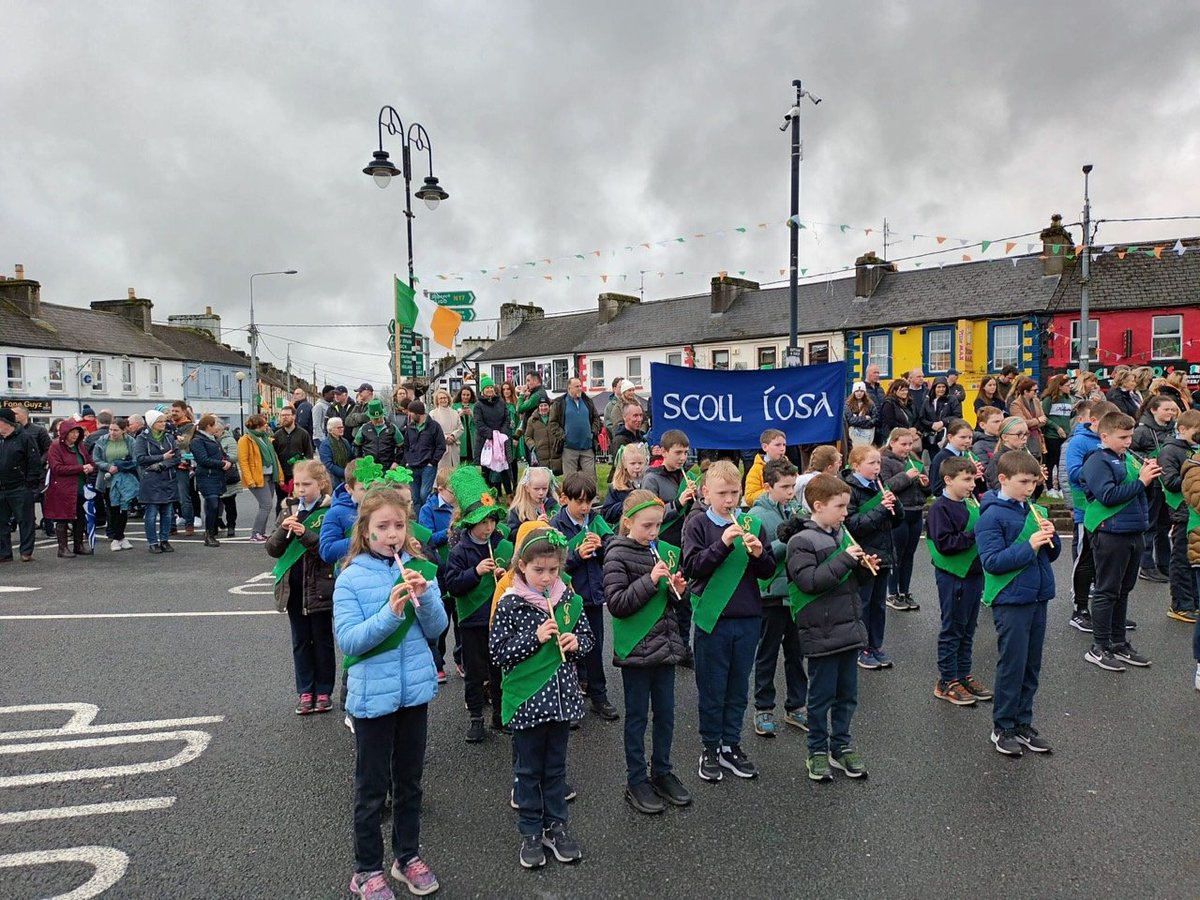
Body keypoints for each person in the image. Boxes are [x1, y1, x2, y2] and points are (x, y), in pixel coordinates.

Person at [333, 487, 447, 898]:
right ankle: (366, 869)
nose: (393, 534)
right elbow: (349, 641)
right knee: (371, 788)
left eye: (399, 525)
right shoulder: (351, 578)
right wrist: (390, 613)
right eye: (383, 526)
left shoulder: (418, 567)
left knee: (410, 782)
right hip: (372, 701)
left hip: (413, 694)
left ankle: (407, 857)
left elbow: (436, 629)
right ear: (365, 531)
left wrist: (426, 596)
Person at [489, 526, 593, 869]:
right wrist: (535, 638)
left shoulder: (568, 601)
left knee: (556, 770)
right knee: (529, 770)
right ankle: (531, 831)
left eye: (553, 570)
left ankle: (556, 826)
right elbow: (499, 654)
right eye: (538, 571)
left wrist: (577, 644)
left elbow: (589, 640)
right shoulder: (510, 604)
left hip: (562, 702)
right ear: (522, 567)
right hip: (527, 702)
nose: (547, 578)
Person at [682, 460, 775, 782]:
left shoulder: (752, 524)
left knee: (738, 687)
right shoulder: (697, 525)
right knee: (712, 687)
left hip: (748, 617)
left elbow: (767, 572)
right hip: (714, 619)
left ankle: (731, 745)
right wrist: (722, 545)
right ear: (706, 492)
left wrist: (760, 554)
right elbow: (692, 567)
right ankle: (710, 746)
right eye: (722, 493)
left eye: (735, 493)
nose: (729, 500)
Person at [780, 473, 875, 781]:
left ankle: (842, 746)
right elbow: (809, 583)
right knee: (821, 697)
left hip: (848, 626)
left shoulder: (840, 534)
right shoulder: (801, 541)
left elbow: (849, 583)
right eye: (840, 506)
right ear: (818, 506)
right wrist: (846, 560)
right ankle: (817, 751)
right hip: (820, 630)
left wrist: (864, 568)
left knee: (847, 694)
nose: (845, 513)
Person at [604, 489, 691, 814]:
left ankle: (663, 772)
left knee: (666, 715)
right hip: (637, 652)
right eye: (647, 526)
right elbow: (617, 604)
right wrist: (651, 581)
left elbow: (668, 604)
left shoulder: (661, 551)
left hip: (665, 648)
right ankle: (636, 779)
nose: (654, 533)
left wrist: (677, 591)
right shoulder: (617, 554)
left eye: (657, 526)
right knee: (638, 718)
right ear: (628, 523)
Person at [977, 450, 1059, 756]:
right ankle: (1003, 726)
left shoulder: (1034, 510)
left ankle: (1024, 722)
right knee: (1012, 664)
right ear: (1003, 479)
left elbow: (1050, 555)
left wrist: (1051, 539)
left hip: (1038, 595)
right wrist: (1029, 545)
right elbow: (993, 562)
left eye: (1034, 481)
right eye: (1024, 481)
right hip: (1011, 598)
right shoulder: (992, 515)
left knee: (1031, 664)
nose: (1030, 488)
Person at [1080, 412, 1160, 673]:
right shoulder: (1097, 459)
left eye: (1130, 436)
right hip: (1110, 531)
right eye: (1122, 437)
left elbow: (1141, 492)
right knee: (1107, 590)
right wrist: (1141, 481)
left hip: (1133, 530)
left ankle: (1118, 642)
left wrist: (1148, 478)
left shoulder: (1126, 458)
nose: (1128, 442)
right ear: (1104, 436)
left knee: (1123, 590)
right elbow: (1107, 496)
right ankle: (1099, 646)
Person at [443, 465, 509, 742]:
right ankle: (475, 718)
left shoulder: (501, 543)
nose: (489, 527)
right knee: (475, 671)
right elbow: (452, 584)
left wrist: (504, 577)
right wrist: (476, 572)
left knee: (499, 669)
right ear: (470, 522)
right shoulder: (460, 551)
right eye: (483, 522)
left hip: (496, 618)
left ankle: (499, 714)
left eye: (492, 521)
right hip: (471, 620)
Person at [267, 459, 336, 714]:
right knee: (300, 641)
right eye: (298, 484)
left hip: (320, 587)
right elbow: (272, 550)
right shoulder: (288, 509)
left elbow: (327, 551)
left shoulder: (329, 511)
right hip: (294, 590)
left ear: (321, 484)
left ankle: (324, 690)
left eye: (307, 484)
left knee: (322, 640)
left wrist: (303, 533)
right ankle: (305, 690)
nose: (301, 489)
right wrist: (282, 531)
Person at [748, 458, 808, 737]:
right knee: (767, 653)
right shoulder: (758, 516)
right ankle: (763, 708)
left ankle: (796, 705)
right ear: (768, 487)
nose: (791, 491)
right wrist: (785, 540)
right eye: (785, 486)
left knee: (797, 654)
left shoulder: (795, 508)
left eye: (793, 485)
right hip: (771, 593)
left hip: (796, 592)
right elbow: (759, 555)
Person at [551, 472, 618, 721]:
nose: (585, 507)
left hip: (592, 597)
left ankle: (599, 696)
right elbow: (552, 565)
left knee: (594, 646)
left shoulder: (595, 519)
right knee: (567, 648)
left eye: (589, 501)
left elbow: (612, 548)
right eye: (579, 502)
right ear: (564, 500)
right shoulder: (556, 525)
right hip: (566, 598)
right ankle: (569, 698)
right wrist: (577, 554)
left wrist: (602, 547)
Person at [926, 457, 991, 706]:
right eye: (966, 479)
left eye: (973, 479)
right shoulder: (940, 509)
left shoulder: (970, 504)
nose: (972, 484)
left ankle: (963, 674)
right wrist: (976, 533)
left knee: (968, 628)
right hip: (954, 576)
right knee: (953, 628)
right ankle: (946, 680)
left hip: (974, 575)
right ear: (948, 480)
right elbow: (944, 545)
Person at [844, 445, 902, 669]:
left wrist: (895, 505)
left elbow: (896, 520)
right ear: (856, 466)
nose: (877, 467)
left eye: (878, 463)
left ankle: (876, 645)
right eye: (871, 463)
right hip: (865, 556)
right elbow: (853, 526)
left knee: (879, 604)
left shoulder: (881, 486)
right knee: (863, 603)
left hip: (884, 552)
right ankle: (861, 648)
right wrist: (880, 508)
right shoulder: (850, 490)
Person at [643, 430, 698, 664]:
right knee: (664, 601)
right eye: (677, 453)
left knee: (684, 598)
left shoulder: (686, 476)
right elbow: (648, 514)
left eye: (685, 453)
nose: (682, 458)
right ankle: (663, 646)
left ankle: (684, 646)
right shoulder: (651, 479)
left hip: (685, 544)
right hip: (663, 543)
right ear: (664, 452)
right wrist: (677, 503)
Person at [1065, 400, 1117, 633]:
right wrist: (1101, 470)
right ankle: (1080, 610)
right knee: (1084, 560)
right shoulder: (1079, 442)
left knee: (1106, 562)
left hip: (1109, 510)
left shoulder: (1112, 442)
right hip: (1086, 509)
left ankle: (1108, 612)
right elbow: (1073, 472)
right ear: (1094, 421)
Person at [879, 426, 931, 612]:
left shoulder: (914, 460)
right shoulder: (884, 461)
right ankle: (892, 593)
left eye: (910, 444)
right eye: (903, 444)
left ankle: (905, 591)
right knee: (897, 555)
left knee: (909, 555)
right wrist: (906, 477)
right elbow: (885, 488)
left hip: (916, 512)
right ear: (892, 443)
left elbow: (927, 491)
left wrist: (925, 485)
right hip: (900, 513)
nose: (908, 448)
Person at [1132, 394, 1179, 582]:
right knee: (1149, 525)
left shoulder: (1173, 429)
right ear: (1153, 410)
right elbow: (1130, 452)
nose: (1170, 413)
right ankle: (1146, 564)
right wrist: (1145, 460)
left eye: (1172, 409)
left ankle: (1164, 563)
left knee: (1164, 525)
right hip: (1152, 483)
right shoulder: (1142, 431)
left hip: (1166, 483)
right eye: (1166, 409)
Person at [1160, 410, 1200, 622]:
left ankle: (1194, 601)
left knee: (1195, 560)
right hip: (1183, 513)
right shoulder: (1170, 451)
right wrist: (1193, 475)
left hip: (1196, 512)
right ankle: (1181, 605)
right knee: (1182, 561)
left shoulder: (1194, 449)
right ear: (1182, 429)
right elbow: (1170, 482)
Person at [46, 420, 95, 558]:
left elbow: (89, 461)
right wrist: (80, 468)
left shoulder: (80, 446)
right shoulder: (55, 447)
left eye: (77, 432)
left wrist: (90, 466)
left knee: (80, 517)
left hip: (80, 487)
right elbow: (57, 468)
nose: (75, 435)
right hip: (62, 489)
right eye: (72, 432)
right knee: (62, 517)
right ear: (64, 433)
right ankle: (63, 548)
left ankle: (78, 545)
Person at [0, 407, 40, 562]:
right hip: (1, 487)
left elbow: (34, 462)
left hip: (20, 487)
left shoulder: (24, 437)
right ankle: (4, 553)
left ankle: (26, 551)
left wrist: (30, 483)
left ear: (5, 422)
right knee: (1, 522)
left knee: (25, 520)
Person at [134, 410, 177, 554]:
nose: (163, 424)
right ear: (152, 423)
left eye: (164, 421)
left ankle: (164, 540)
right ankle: (153, 542)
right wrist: (162, 457)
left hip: (167, 478)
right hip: (151, 480)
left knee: (167, 513)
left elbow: (177, 458)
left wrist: (163, 464)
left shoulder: (170, 438)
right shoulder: (142, 438)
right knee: (151, 513)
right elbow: (140, 459)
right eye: (160, 421)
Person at [93, 418, 138, 552]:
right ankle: (118, 537)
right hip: (107, 480)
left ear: (124, 430)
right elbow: (96, 459)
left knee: (123, 508)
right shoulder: (102, 441)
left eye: (116, 430)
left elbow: (135, 460)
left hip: (124, 480)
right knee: (112, 509)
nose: (112, 432)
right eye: (110, 429)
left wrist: (120, 466)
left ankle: (118, 537)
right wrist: (108, 466)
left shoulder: (131, 441)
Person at [238, 414, 284, 543]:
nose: (267, 425)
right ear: (258, 425)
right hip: (258, 477)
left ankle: (261, 533)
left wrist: (279, 476)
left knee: (265, 505)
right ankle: (256, 533)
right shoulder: (245, 440)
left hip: (269, 475)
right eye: (264, 423)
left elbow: (274, 458)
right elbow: (243, 461)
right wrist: (250, 480)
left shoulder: (266, 438)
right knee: (266, 505)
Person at [191, 414, 233, 548]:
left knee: (215, 505)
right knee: (213, 505)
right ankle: (209, 534)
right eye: (214, 424)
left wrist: (226, 460)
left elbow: (220, 454)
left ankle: (211, 532)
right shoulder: (197, 441)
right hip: (206, 477)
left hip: (216, 476)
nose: (216, 427)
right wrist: (221, 464)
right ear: (209, 426)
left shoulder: (212, 439)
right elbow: (203, 460)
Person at [550, 377, 601, 478]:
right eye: (576, 386)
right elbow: (553, 423)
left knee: (591, 477)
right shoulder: (560, 403)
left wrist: (592, 432)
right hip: (569, 448)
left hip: (587, 447)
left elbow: (596, 418)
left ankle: (593, 494)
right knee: (570, 478)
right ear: (569, 388)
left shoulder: (588, 401)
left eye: (580, 386)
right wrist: (563, 436)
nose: (580, 388)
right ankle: (570, 494)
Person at [402, 400, 446, 510]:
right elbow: (406, 446)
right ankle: (419, 520)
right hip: (412, 466)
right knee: (415, 497)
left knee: (424, 494)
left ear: (418, 413)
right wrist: (407, 461)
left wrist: (433, 462)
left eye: (411, 412)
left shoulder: (434, 426)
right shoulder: (409, 428)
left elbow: (441, 446)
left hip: (428, 466)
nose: (409, 415)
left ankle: (427, 515)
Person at [474, 376, 514, 497]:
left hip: (501, 440)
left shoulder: (501, 403)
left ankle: (509, 494)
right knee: (488, 470)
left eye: (491, 387)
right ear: (482, 390)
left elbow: (507, 418)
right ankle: (491, 496)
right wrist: (492, 434)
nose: (490, 390)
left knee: (505, 468)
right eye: (487, 388)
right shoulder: (478, 405)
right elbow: (479, 423)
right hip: (486, 442)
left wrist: (501, 434)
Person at [273, 405, 316, 509]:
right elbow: (274, 455)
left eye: (287, 415)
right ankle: (281, 522)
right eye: (282, 415)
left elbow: (309, 454)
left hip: (297, 474)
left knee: (298, 500)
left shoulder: (303, 434)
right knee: (281, 501)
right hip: (282, 474)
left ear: (294, 417)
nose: (284, 417)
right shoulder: (277, 435)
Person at [929, 420, 984, 498]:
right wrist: (968, 478)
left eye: (970, 437)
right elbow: (936, 489)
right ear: (950, 437)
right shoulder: (941, 458)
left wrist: (977, 477)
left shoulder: (969, 455)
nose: (968, 441)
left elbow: (981, 488)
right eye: (963, 437)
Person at [1041, 375, 1074, 496]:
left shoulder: (1068, 399)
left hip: (1065, 435)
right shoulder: (1049, 399)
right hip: (1052, 436)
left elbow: (1067, 415)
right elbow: (1045, 417)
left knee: (1062, 463)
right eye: (1066, 385)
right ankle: (1050, 488)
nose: (1069, 387)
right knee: (1051, 462)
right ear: (1059, 386)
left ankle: (1060, 488)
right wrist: (1056, 427)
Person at [601, 443, 647, 525]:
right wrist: (626, 504)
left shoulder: (649, 482)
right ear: (625, 464)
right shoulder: (616, 487)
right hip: (624, 529)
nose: (637, 467)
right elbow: (606, 515)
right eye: (633, 463)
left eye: (640, 463)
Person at [354, 399, 405, 472]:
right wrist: (360, 461)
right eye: (375, 419)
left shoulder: (392, 428)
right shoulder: (364, 428)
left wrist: (396, 462)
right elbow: (356, 446)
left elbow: (401, 446)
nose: (378, 420)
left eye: (380, 417)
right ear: (370, 417)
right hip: (369, 468)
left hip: (388, 467)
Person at [743, 428, 788, 508]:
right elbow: (749, 497)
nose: (782, 449)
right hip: (766, 509)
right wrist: (772, 490)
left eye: (784, 445)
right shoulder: (756, 469)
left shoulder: (789, 465)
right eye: (777, 445)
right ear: (765, 447)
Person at [917, 377, 961, 457]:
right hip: (931, 439)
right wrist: (932, 425)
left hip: (947, 436)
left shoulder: (952, 400)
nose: (941, 389)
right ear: (934, 388)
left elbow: (958, 416)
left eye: (943, 387)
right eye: (939, 387)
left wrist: (943, 422)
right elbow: (922, 418)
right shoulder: (927, 401)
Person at [507, 467, 558, 533]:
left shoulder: (554, 506)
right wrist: (534, 526)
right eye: (536, 489)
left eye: (544, 489)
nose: (541, 493)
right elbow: (513, 535)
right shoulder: (518, 510)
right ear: (527, 488)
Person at [1007, 378, 1047, 462]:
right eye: (1034, 390)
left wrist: (1034, 422)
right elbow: (1021, 423)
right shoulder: (1016, 404)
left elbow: (1044, 419)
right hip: (1025, 438)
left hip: (1037, 438)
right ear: (1025, 392)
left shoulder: (1036, 401)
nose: (1037, 392)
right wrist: (1037, 420)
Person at [524, 398, 564, 476]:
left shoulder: (556, 418)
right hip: (541, 455)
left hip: (556, 453)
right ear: (538, 407)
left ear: (549, 406)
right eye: (541, 406)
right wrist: (533, 446)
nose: (543, 408)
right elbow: (527, 437)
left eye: (545, 405)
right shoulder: (532, 420)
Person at [216, 421, 241, 538]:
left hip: (228, 476)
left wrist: (221, 459)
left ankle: (231, 526)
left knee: (230, 503)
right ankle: (215, 524)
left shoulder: (229, 440)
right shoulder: (208, 439)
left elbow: (235, 456)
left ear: (221, 430)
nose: (214, 433)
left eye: (216, 431)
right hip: (214, 476)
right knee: (213, 503)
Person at [428, 390, 462, 472]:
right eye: (441, 398)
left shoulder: (454, 413)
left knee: (454, 471)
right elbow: (432, 430)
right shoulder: (433, 414)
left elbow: (460, 428)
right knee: (442, 472)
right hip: (441, 446)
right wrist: (445, 438)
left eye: (445, 398)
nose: (443, 400)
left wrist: (453, 436)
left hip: (454, 445)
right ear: (437, 400)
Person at [319, 417, 355, 491]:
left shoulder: (345, 442)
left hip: (346, 477)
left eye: (342, 427)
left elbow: (350, 457)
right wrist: (344, 472)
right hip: (333, 479)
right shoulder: (325, 445)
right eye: (339, 428)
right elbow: (328, 465)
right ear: (331, 430)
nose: (342, 429)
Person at [844, 382, 877, 449]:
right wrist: (865, 418)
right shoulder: (848, 405)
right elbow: (851, 420)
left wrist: (866, 423)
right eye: (857, 391)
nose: (859, 393)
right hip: (853, 434)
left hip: (867, 434)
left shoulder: (870, 404)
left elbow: (875, 418)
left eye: (861, 391)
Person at [453, 386, 477, 465]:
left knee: (471, 462)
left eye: (468, 395)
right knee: (461, 462)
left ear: (471, 396)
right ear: (460, 395)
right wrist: (459, 415)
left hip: (472, 437)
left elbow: (479, 422)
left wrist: (472, 414)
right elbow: (452, 423)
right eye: (463, 395)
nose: (465, 397)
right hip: (461, 438)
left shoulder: (475, 406)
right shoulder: (454, 406)